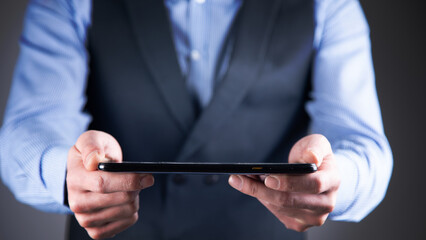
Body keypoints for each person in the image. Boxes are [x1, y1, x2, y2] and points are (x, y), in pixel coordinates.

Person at [0, 0, 393, 239]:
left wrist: (335, 181)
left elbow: (365, 145)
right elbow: (28, 126)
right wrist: (68, 178)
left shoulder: (330, 6)